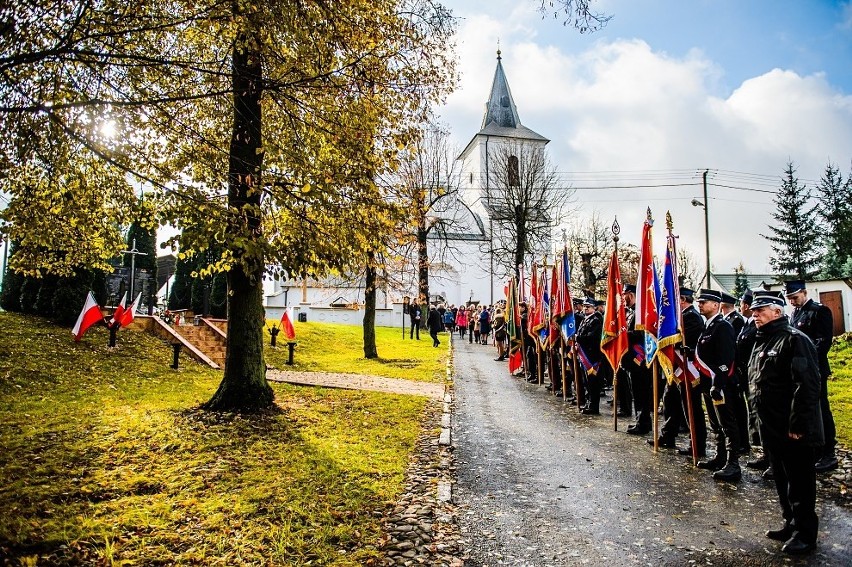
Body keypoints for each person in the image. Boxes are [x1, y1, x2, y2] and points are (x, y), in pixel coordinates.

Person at [748, 291, 823, 555]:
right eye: (754, 311)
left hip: (792, 429)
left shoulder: (794, 340)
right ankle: (790, 523)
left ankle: (806, 533)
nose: (754, 314)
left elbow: (807, 386)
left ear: (777, 312)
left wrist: (798, 425)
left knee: (800, 481)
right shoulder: (762, 341)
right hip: (771, 427)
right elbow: (758, 385)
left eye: (761, 310)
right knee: (781, 479)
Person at [785, 279, 839, 473]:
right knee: (806, 409)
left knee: (821, 409)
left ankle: (829, 453)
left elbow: (823, 342)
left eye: (795, 297)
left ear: (804, 293)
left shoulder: (819, 311)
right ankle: (814, 448)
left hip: (815, 369)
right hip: (799, 370)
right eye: (790, 298)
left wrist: (806, 360)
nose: (792, 301)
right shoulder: (795, 313)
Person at [693, 289, 741, 482]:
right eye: (700, 302)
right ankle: (720, 457)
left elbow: (727, 360)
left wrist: (718, 384)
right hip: (709, 383)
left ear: (716, 305)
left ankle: (733, 463)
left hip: (721, 384)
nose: (700, 305)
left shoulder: (723, 327)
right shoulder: (708, 326)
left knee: (728, 424)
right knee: (715, 423)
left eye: (704, 302)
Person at [652, 288, 704, 452]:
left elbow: (681, 340)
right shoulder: (681, 317)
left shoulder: (692, 317)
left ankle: (696, 443)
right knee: (670, 402)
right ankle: (668, 435)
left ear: (682, 300)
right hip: (675, 368)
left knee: (690, 407)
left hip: (687, 369)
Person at [622, 284, 652, 434]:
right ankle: (640, 420)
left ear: (631, 294)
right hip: (632, 361)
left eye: (625, 294)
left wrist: (623, 334)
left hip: (640, 360)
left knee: (642, 393)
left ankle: (644, 423)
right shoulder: (632, 313)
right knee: (637, 393)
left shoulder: (641, 312)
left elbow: (642, 335)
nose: (623, 298)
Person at [576, 298, 604, 415]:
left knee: (593, 383)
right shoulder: (585, 319)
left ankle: (594, 406)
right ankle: (588, 403)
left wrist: (577, 338)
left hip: (592, 357)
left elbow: (592, 338)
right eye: (585, 306)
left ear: (594, 307)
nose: (586, 308)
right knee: (587, 382)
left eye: (588, 306)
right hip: (585, 355)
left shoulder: (596, 320)